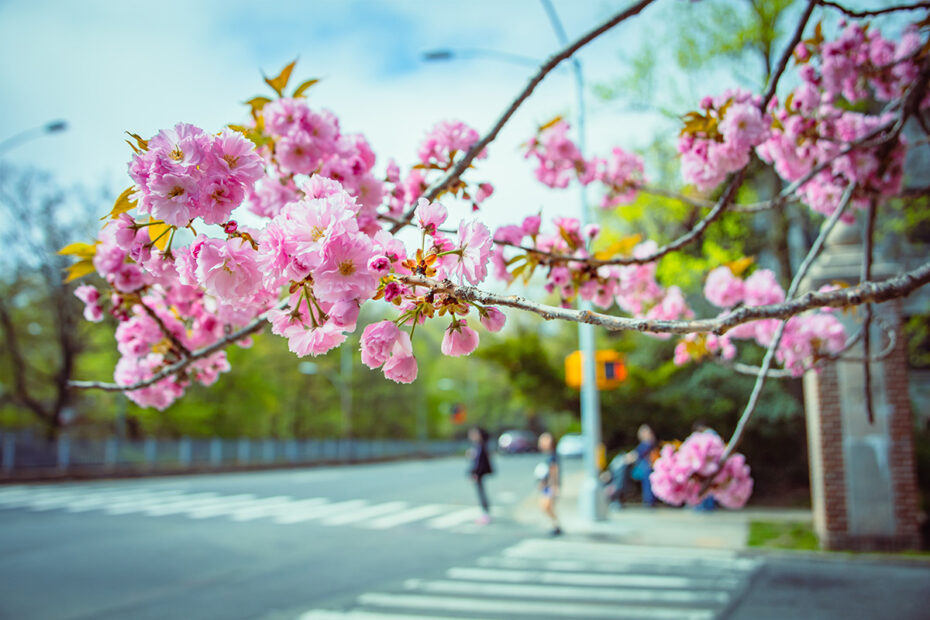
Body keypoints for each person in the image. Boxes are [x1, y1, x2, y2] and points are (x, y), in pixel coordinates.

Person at [606, 424, 657, 508]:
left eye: (645, 431)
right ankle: (615, 490)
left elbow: (635, 456)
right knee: (621, 467)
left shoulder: (648, 444)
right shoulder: (645, 444)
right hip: (639, 469)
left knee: (621, 467)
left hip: (642, 470)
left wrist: (623, 459)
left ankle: (616, 492)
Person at [536, 432, 562, 536]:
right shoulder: (548, 455)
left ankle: (556, 525)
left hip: (550, 486)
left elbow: (554, 471)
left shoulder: (552, 456)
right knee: (545, 506)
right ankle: (554, 525)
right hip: (547, 486)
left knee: (546, 506)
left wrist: (553, 486)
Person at [467, 426, 494, 524]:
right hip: (479, 473)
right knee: (481, 492)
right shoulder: (478, 446)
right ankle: (485, 513)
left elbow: (479, 463)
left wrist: (475, 474)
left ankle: (485, 514)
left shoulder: (481, 446)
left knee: (481, 493)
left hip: (479, 474)